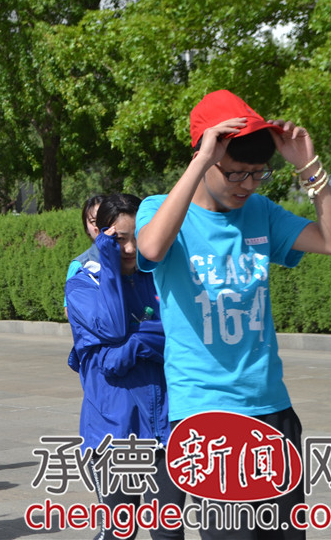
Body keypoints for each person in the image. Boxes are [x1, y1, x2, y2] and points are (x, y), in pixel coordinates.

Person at [135, 90, 331, 540]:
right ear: (206, 155)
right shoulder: (160, 211)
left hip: (272, 408)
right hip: (207, 414)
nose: (247, 185)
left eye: (258, 174)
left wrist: (310, 171)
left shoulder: (261, 213)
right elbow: (152, 248)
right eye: (236, 173)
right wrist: (199, 162)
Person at [65, 194, 185, 540]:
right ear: (102, 237)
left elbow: (180, 337)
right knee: (120, 532)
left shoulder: (163, 279)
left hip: (167, 427)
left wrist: (135, 341)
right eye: (118, 239)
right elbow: (111, 346)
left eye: (138, 235)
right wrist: (142, 339)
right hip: (114, 431)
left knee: (168, 532)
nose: (131, 248)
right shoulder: (81, 285)